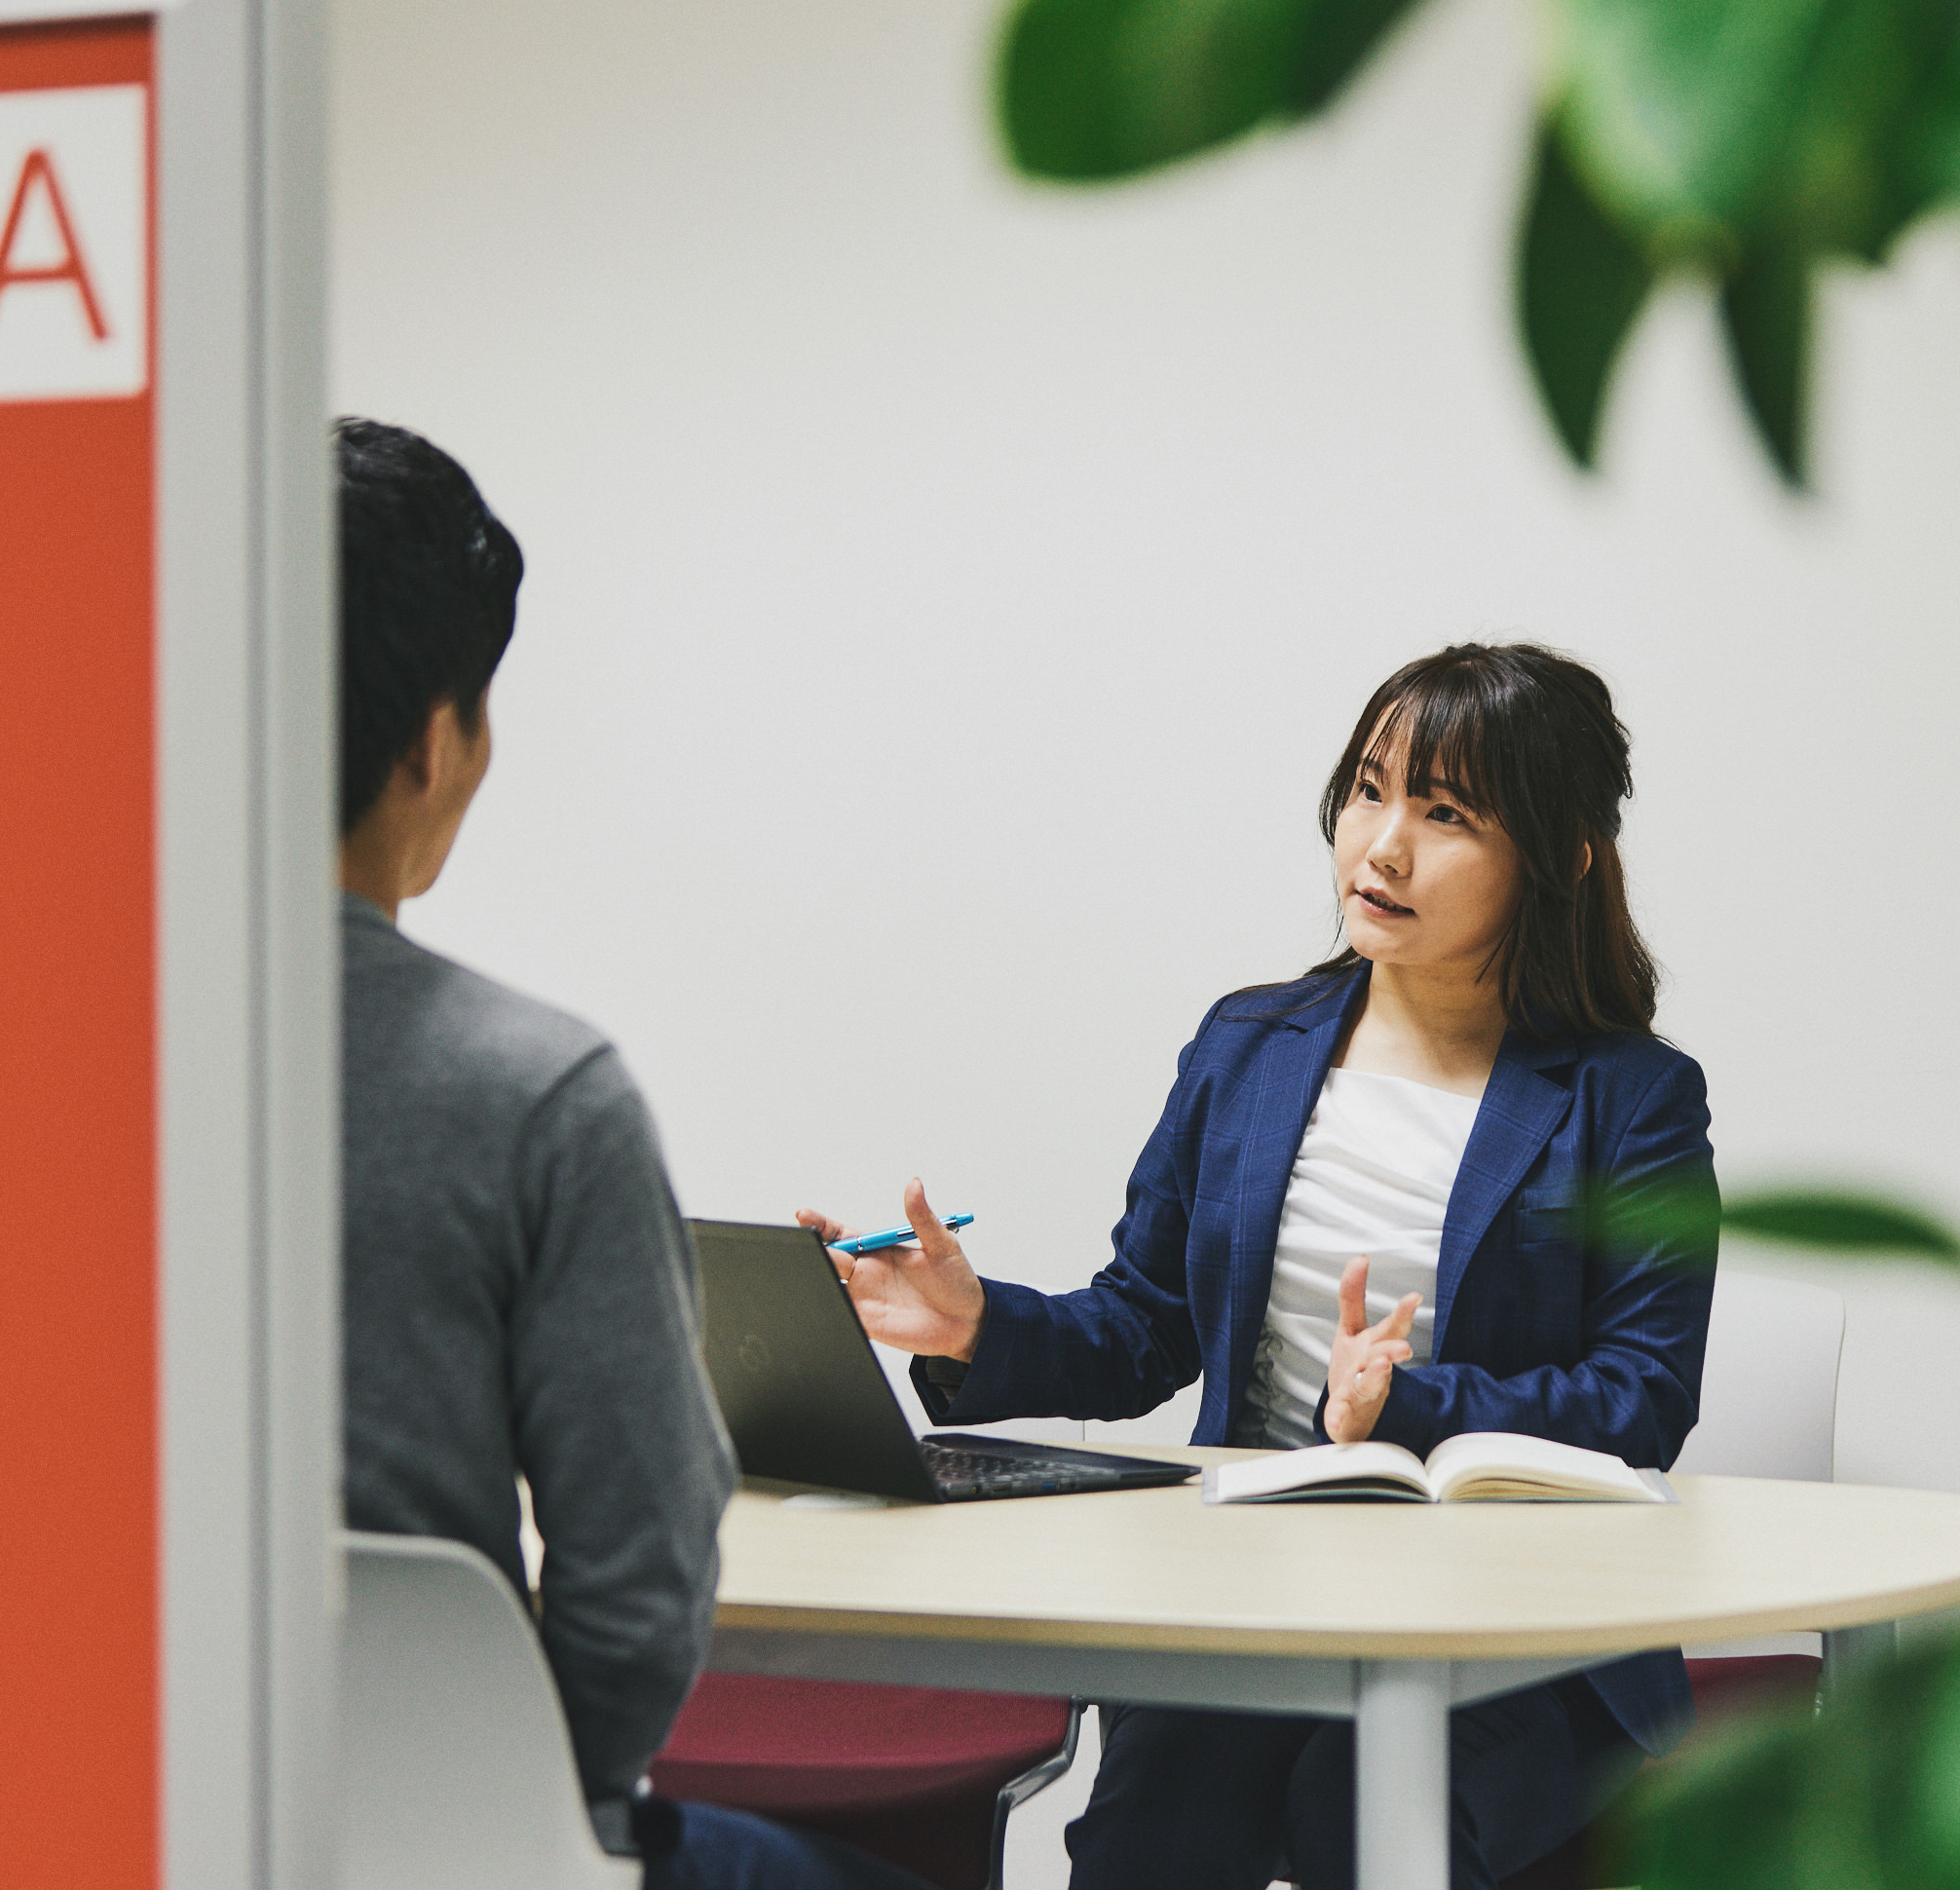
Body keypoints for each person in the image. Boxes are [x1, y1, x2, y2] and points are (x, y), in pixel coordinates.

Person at [806, 641, 1719, 1890]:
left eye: (1446, 812)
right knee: (1149, 1837)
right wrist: (972, 1325)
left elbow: (1645, 1394)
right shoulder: (1250, 1046)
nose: (1382, 843)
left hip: (1504, 1622)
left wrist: (1408, 1409)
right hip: (1248, 1591)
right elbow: (1142, 1328)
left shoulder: (1635, 1100)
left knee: (1365, 1817)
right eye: (1367, 787)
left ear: (1560, 859)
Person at [333, 417, 923, 1890]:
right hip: (452, 1842)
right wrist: (552, 1827)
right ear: (435, 741)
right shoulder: (536, 1097)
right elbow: (640, 1587)